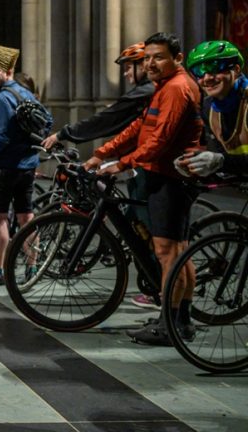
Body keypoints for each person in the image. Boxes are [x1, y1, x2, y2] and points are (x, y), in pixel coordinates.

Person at [84, 32, 202, 346]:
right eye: (147, 57)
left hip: (170, 177)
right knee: (178, 251)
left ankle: (169, 325)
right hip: (165, 175)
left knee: (168, 254)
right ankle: (181, 321)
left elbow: (160, 141)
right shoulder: (163, 87)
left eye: (158, 56)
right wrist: (102, 152)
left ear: (177, 58)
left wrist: (120, 164)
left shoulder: (177, 88)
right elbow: (140, 127)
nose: (150, 63)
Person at [41, 41, 158, 309]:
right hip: (141, 164)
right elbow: (130, 133)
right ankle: (155, 285)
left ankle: (164, 292)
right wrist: (103, 156)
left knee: (152, 231)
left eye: (130, 67)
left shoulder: (147, 91)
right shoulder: (147, 92)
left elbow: (108, 119)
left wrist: (65, 133)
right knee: (135, 224)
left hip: (154, 168)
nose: (127, 74)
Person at [0, 56, 52, 285]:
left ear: (9, 71)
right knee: (27, 216)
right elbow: (48, 121)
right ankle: (32, 268)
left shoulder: (1, 99)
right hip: (27, 165)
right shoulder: (24, 93)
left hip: (3, 167)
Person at [42, 42, 154, 150]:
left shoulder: (144, 92)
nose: (125, 73)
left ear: (143, 65)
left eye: (128, 68)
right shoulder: (148, 89)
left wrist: (62, 134)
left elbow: (104, 120)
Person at [175, 40, 248, 176]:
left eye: (215, 67)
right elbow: (221, 155)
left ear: (236, 70)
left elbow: (223, 160)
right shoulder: (208, 107)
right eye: (199, 72)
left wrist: (220, 161)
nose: (207, 78)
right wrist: (196, 164)